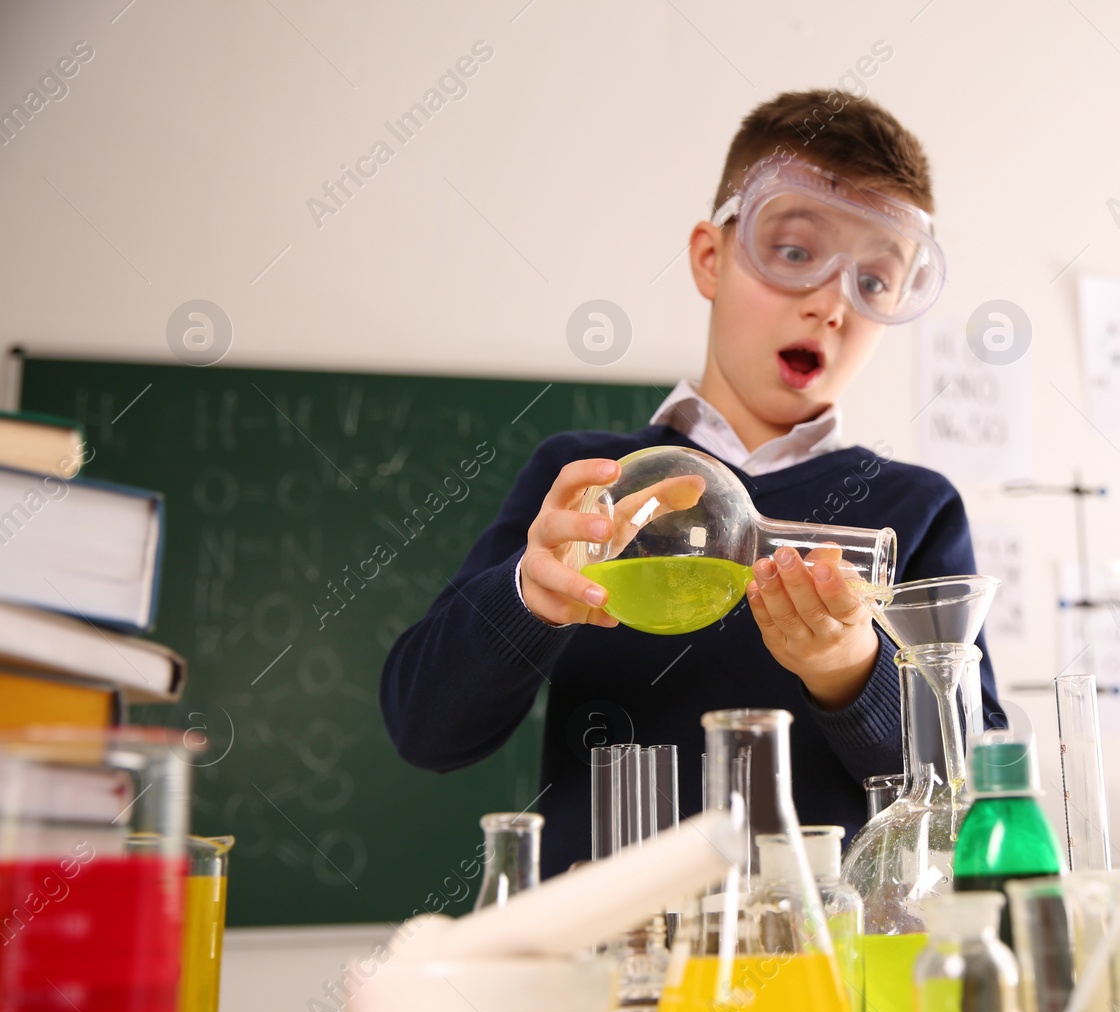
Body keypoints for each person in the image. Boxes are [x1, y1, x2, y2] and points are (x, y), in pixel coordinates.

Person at [381, 89, 1004, 879]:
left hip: (828, 968)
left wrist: (850, 669)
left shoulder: (913, 510)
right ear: (712, 258)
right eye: (795, 252)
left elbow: (974, 788)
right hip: (612, 969)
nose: (829, 305)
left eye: (875, 282)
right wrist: (528, 600)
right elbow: (423, 727)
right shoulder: (584, 485)